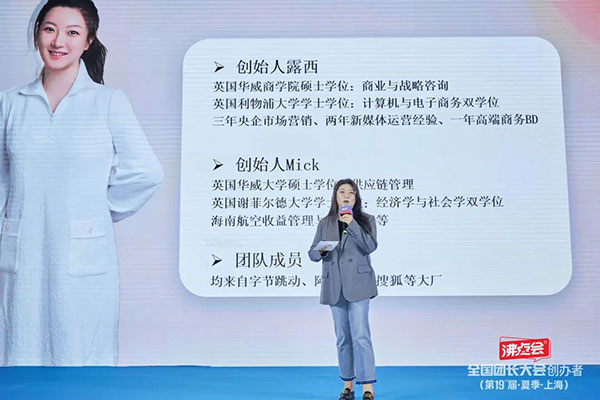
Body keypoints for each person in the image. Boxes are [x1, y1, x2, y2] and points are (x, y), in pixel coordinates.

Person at [0, 0, 163, 366]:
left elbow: (147, 171)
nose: (58, 41)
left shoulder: (107, 103)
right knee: (19, 354)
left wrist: (98, 209)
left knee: (79, 357)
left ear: (88, 41)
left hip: (83, 256)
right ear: (37, 33)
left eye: (72, 32)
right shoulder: (9, 104)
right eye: (50, 29)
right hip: (22, 251)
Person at [309, 179, 378, 400]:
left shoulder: (366, 220)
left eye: (351, 192)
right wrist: (321, 251)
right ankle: (347, 387)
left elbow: (370, 246)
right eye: (342, 192)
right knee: (343, 338)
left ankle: (367, 389)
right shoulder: (325, 223)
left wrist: (352, 224)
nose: (346, 196)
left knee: (361, 337)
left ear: (356, 197)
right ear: (335, 196)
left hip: (359, 284)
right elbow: (312, 253)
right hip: (335, 286)